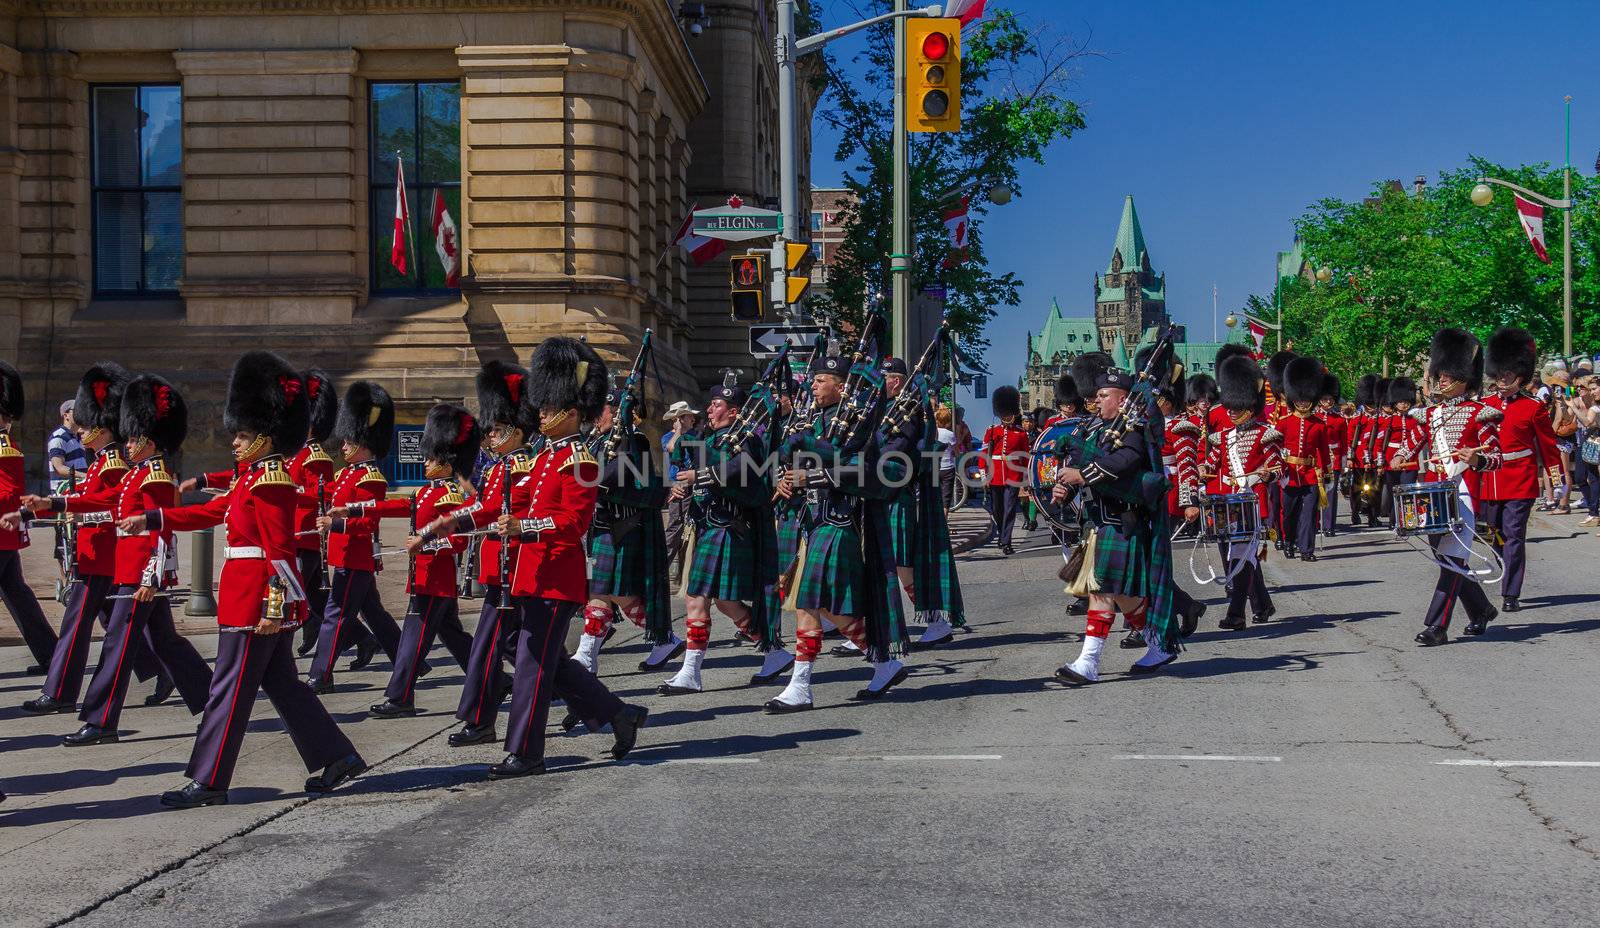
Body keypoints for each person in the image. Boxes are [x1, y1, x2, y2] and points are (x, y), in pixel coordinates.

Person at [121, 351, 365, 807]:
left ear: (265, 437)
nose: (234, 442)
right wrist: (154, 518)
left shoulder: (270, 480)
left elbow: (280, 551)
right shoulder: (250, 477)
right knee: (284, 686)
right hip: (243, 592)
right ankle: (338, 757)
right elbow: (211, 511)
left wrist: (278, 608)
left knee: (228, 689)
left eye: (243, 435)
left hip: (254, 601)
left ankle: (209, 780)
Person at [23, 374, 214, 745]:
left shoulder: (154, 476)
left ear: (149, 439)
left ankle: (100, 720)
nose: (128, 443)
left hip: (139, 571)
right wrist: (54, 504)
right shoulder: (137, 474)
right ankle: (213, 699)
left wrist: (150, 577)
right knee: (164, 641)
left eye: (133, 437)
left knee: (118, 643)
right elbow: (105, 504)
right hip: (130, 569)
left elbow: (162, 532)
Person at [488, 336, 647, 779]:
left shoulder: (578, 459)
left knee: (533, 664)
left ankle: (526, 752)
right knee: (540, 657)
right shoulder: (544, 457)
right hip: (529, 573)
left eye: (549, 405)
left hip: (556, 576)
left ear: (572, 411)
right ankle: (618, 714)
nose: (540, 412)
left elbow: (573, 523)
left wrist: (524, 527)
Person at [16, 364, 165, 713]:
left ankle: (60, 693)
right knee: (136, 628)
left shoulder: (111, 464)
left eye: (87, 425)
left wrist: (61, 505)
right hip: (93, 551)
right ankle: (161, 669)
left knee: (79, 623)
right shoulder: (98, 462)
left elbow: (111, 509)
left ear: (102, 428)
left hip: (103, 554)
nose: (80, 430)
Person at [767, 353, 910, 710]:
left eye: (821, 379)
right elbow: (788, 459)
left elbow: (865, 469)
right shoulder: (813, 420)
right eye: (814, 379)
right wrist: (783, 479)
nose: (813, 385)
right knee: (833, 609)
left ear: (841, 386)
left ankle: (800, 687)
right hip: (812, 520)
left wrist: (809, 470)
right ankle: (884, 663)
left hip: (840, 520)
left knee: (808, 602)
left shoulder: (860, 424)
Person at [419, 361, 536, 747]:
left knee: (489, 649)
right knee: (512, 647)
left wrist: (447, 523)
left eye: (498, 429)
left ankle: (481, 721)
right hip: (499, 569)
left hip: (514, 569)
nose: (490, 435)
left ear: (516, 431)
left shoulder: (521, 465)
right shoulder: (504, 464)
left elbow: (492, 511)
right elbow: (485, 506)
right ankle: (596, 704)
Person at [339, 404, 481, 718]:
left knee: (411, 641)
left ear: (445, 463)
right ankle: (494, 680)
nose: (426, 463)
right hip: (423, 579)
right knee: (455, 639)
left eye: (431, 459)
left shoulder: (450, 495)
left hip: (435, 579)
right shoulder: (425, 493)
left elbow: (459, 540)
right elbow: (396, 507)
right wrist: (355, 510)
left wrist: (426, 546)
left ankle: (400, 697)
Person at [1051, 362, 1183, 683]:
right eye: (1096, 395)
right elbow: (1080, 465)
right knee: (1126, 597)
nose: (1097, 400)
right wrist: (1065, 489)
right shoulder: (1095, 429)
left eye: (1104, 395)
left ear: (1122, 399)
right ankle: (1158, 645)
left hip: (1121, 521)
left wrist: (1082, 474)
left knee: (1101, 591)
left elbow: (1123, 462)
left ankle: (1088, 662)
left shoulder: (1135, 429)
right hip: (1097, 522)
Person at [659, 378, 791, 695]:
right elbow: (686, 468)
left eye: (716, 404)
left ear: (733, 412)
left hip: (727, 527)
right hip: (708, 526)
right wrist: (680, 485)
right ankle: (774, 652)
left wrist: (698, 474)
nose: (710, 408)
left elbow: (740, 469)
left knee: (697, 599)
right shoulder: (709, 437)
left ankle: (691, 673)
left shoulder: (745, 438)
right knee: (726, 603)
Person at [307, 381, 405, 691]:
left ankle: (320, 674)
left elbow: (366, 522)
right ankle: (410, 660)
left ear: (364, 441)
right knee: (373, 613)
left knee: (335, 615)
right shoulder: (346, 473)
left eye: (349, 441)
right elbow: (320, 496)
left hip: (356, 555)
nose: (343, 445)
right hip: (343, 554)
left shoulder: (370, 477)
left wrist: (334, 525)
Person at [575, 378, 675, 677]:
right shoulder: (592, 441)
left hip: (623, 526)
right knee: (598, 590)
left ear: (616, 411)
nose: (595, 415)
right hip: (598, 528)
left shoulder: (634, 441)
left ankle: (663, 637)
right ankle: (586, 654)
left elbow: (617, 474)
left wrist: (587, 484)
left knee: (615, 592)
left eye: (601, 409)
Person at [1414, 329, 1503, 645]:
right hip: (1433, 494)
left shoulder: (1481, 414)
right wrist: (1399, 457)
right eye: (1440, 374)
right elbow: (1412, 445)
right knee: (1445, 555)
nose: (1441, 380)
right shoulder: (1431, 414)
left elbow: (1496, 458)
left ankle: (1437, 627)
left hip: (1462, 492)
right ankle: (1480, 610)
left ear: (1465, 377)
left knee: (1450, 559)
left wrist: (1477, 461)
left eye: (1449, 375)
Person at [1479, 328, 1562, 613]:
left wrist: (1555, 476)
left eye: (1507, 375)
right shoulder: (1485, 405)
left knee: (1514, 534)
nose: (1502, 379)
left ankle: (1510, 591)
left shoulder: (1533, 407)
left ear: (1519, 376)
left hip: (1520, 478)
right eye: (1499, 374)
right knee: (1495, 533)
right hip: (1490, 479)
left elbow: (1548, 445)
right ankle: (1504, 570)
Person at [1208, 354, 1283, 629]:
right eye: (1230, 407)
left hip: (1253, 502)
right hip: (1229, 502)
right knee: (1240, 555)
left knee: (1241, 554)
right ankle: (1262, 605)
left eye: (1237, 407)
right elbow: (1211, 464)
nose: (1232, 412)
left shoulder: (1267, 433)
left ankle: (1236, 613)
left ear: (1250, 406)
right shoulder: (1223, 436)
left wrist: (1268, 473)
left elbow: (1278, 466)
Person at [0, 361, 59, 674]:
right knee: (17, 594)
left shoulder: (3, 446)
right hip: (4, 535)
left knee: (17, 593)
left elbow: (8, 493)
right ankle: (51, 655)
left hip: (1, 531)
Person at [1277, 357, 1328, 561]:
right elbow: (1275, 449)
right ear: (1293, 399)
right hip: (1289, 474)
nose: (1303, 402)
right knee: (1289, 514)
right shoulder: (1283, 423)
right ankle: (1289, 541)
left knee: (1309, 516)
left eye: (1307, 399)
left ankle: (1307, 550)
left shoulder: (1319, 424)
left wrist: (1327, 475)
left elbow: (1323, 452)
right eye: (1300, 399)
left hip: (1310, 475)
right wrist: (1278, 470)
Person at [982, 386, 1028, 555]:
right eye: (1004, 414)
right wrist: (983, 476)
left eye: (1009, 413)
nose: (1007, 417)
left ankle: (1006, 541)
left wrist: (1025, 477)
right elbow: (983, 454)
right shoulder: (992, 431)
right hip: (995, 475)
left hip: (1013, 474)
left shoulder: (1021, 433)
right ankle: (1002, 534)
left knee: (1009, 508)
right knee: (997, 509)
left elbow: (1025, 457)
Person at [661, 400, 700, 587]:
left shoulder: (696, 435)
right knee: (674, 526)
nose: (693, 418)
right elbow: (670, 448)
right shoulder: (668, 437)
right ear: (679, 419)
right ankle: (662, 569)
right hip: (678, 484)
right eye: (689, 416)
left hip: (697, 482)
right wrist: (677, 430)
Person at [1318, 375, 1347, 538]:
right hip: (1317, 460)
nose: (1328, 402)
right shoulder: (1314, 418)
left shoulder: (1339, 420)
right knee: (1315, 492)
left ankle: (1329, 525)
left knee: (1330, 493)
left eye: (1330, 399)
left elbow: (1343, 443)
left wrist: (1343, 463)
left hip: (1333, 460)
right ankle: (1316, 522)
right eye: (1324, 399)